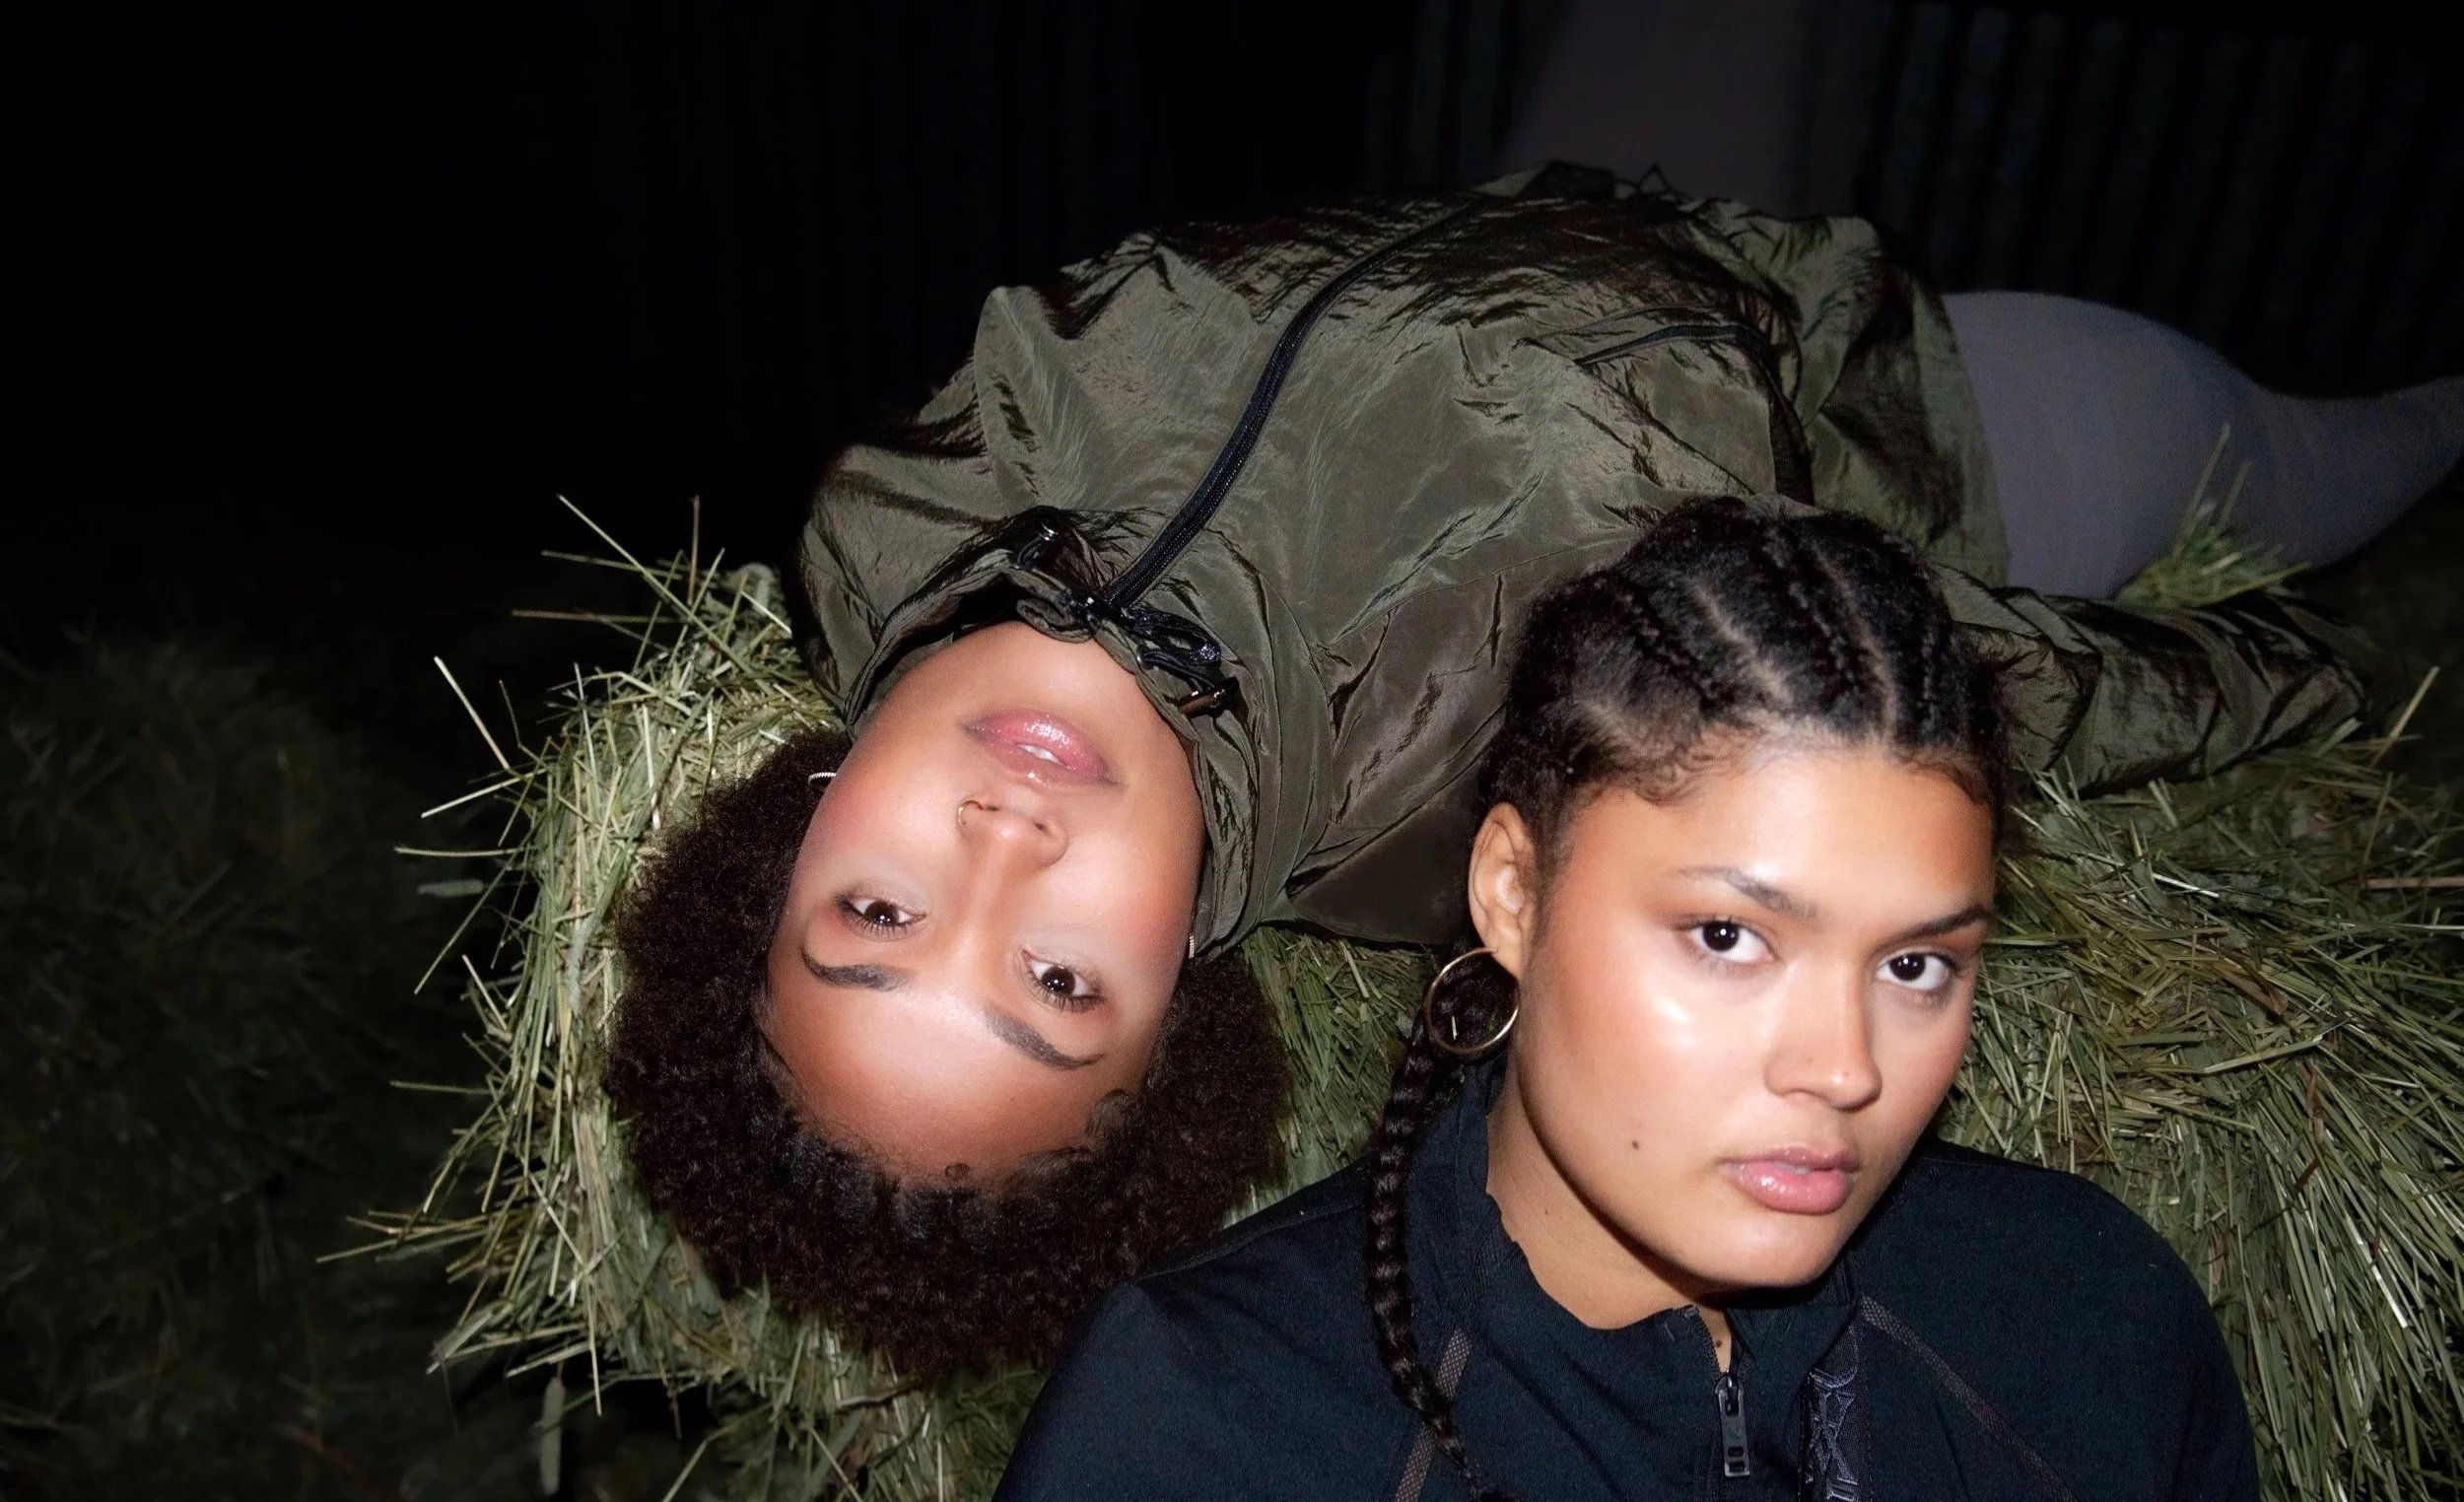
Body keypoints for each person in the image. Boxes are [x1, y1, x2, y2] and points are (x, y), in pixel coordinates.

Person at [603, 163, 2455, 1373]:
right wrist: (2303, 671)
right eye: (1060, 981)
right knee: (2370, 449)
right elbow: (1950, 705)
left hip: (1577, 189)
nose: (1003, 845)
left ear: (790, 835)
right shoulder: (1480, 771)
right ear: (1180, 990)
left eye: (881, 914)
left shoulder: (888, 517)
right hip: (1940, 402)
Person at [993, 499, 2257, 1501]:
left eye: (1914, 965)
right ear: (1513, 892)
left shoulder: (2088, 1322)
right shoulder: (1200, 1425)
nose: (1842, 1068)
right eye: (1728, 937)